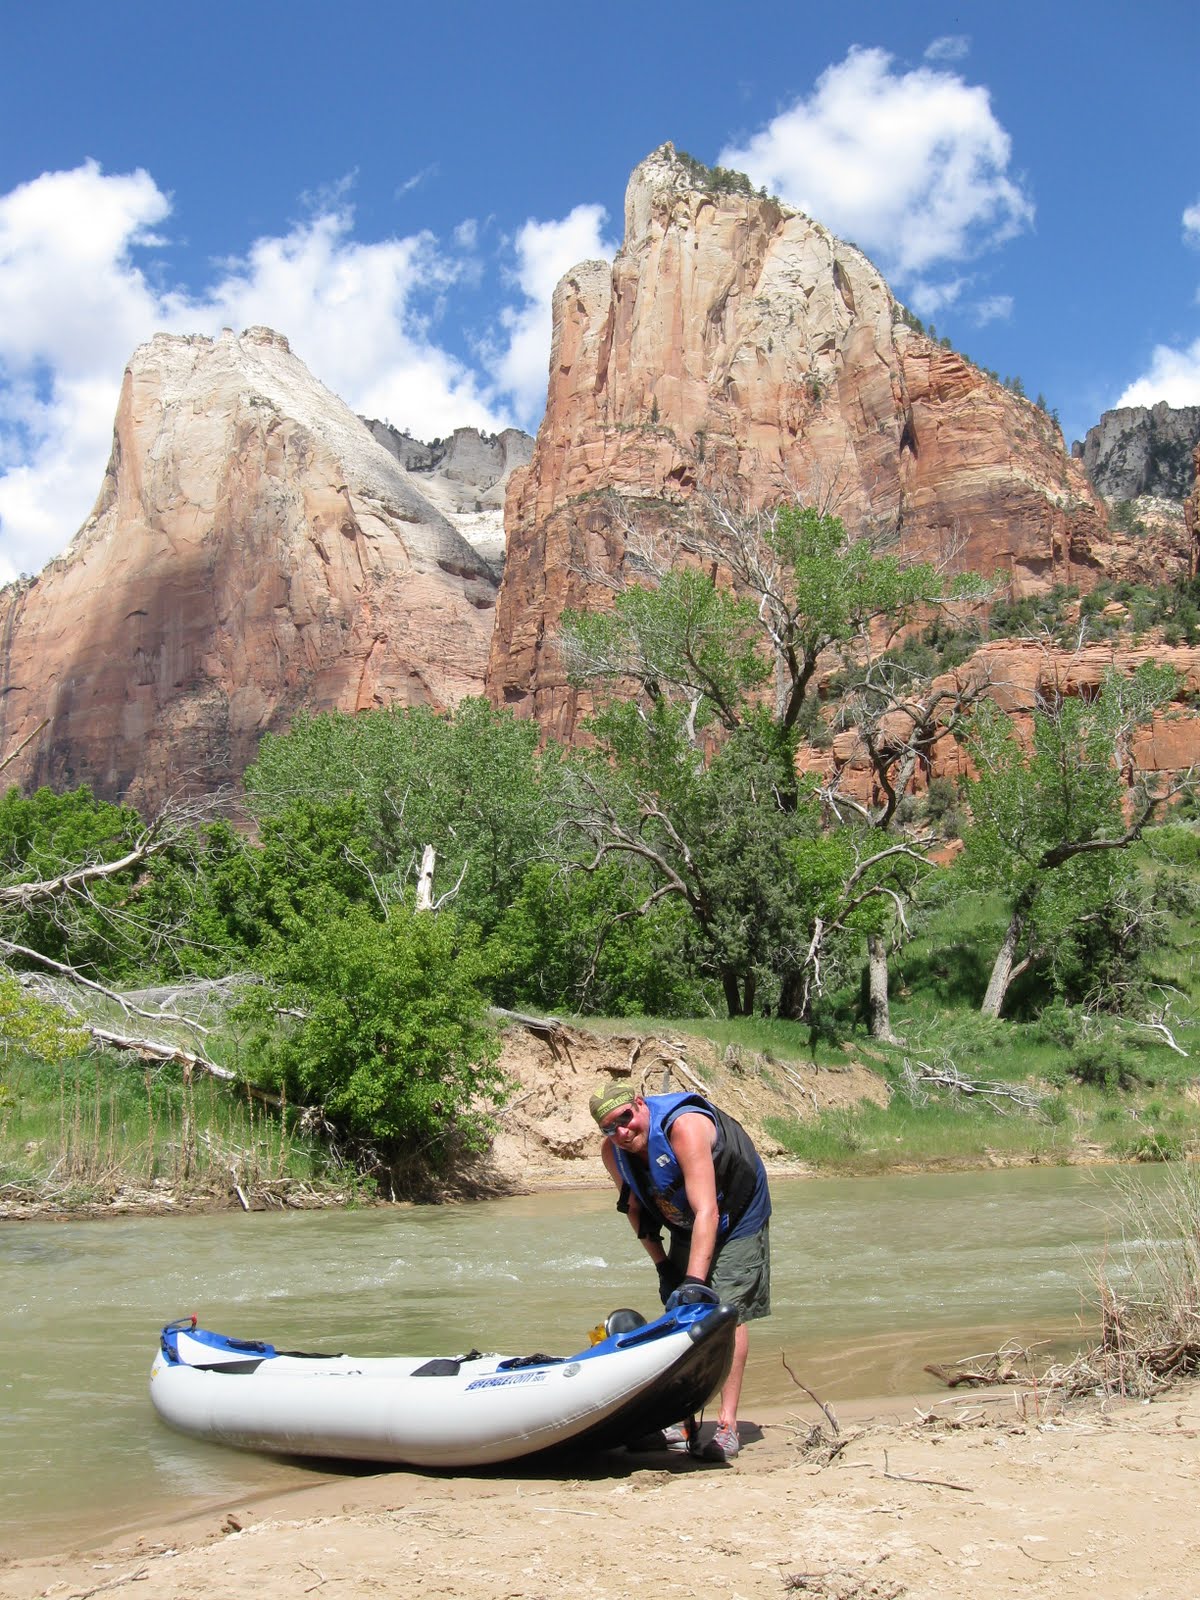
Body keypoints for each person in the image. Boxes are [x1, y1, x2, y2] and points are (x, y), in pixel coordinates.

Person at [590, 1081, 771, 1462]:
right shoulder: (615, 1153)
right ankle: (681, 1420)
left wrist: (693, 1281)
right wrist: (663, 1267)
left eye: (625, 1118)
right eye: (610, 1127)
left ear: (639, 1105)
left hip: (737, 1213)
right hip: (686, 1218)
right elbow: (636, 1210)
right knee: (678, 1311)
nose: (621, 1132)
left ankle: (726, 1427)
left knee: (725, 1311)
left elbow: (709, 1211)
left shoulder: (684, 1128)